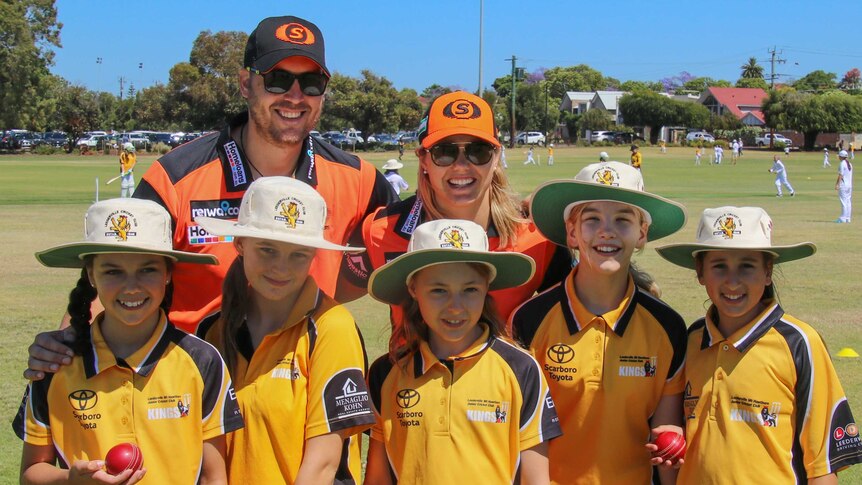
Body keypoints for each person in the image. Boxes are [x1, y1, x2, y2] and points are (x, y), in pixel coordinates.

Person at [23, 15, 398, 350]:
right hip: (190, 396)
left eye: (311, 82)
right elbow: (117, 269)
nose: (295, 97)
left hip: (302, 393)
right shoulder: (176, 176)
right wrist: (67, 342)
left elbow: (401, 245)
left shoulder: (358, 178)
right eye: (278, 80)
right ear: (245, 84)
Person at [14, 198, 243, 485]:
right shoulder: (56, 363)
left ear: (168, 273)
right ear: (90, 275)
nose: (131, 287)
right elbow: (30, 473)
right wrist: (72, 480)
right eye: (113, 271)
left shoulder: (201, 361)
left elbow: (214, 477)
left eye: (147, 269)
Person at [656, 206, 862, 483]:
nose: (732, 280)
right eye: (719, 266)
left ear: (768, 272)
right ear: (700, 272)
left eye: (747, 266)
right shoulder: (690, 340)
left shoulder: (799, 343)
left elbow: (822, 466)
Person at [512, 161, 688, 484]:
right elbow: (525, 437)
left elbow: (664, 442)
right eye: (592, 219)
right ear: (572, 232)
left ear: (642, 233)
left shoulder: (668, 327)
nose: (607, 231)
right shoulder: (530, 320)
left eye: (623, 219)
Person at [194, 177, 375, 484]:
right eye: (267, 249)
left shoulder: (332, 326)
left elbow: (322, 465)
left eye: (298, 254)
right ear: (239, 245)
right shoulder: (213, 330)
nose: (281, 267)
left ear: (314, 255)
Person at [339, 91, 571, 328]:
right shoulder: (380, 231)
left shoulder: (537, 238)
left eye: (478, 151)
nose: (461, 166)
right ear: (423, 159)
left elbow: (584, 308)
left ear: (497, 156)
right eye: (444, 152)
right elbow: (328, 298)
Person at [363, 219, 562, 484]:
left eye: (470, 290)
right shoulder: (386, 373)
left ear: (486, 288)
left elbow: (536, 479)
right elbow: (377, 478)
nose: (455, 307)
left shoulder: (520, 369)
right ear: (413, 289)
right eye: (438, 290)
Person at [836, 149, 853, 223]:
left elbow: (841, 175)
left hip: (844, 185)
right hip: (849, 185)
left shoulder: (842, 163)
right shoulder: (850, 164)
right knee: (848, 201)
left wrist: (837, 184)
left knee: (843, 202)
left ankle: (843, 217)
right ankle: (847, 218)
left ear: (841, 156)